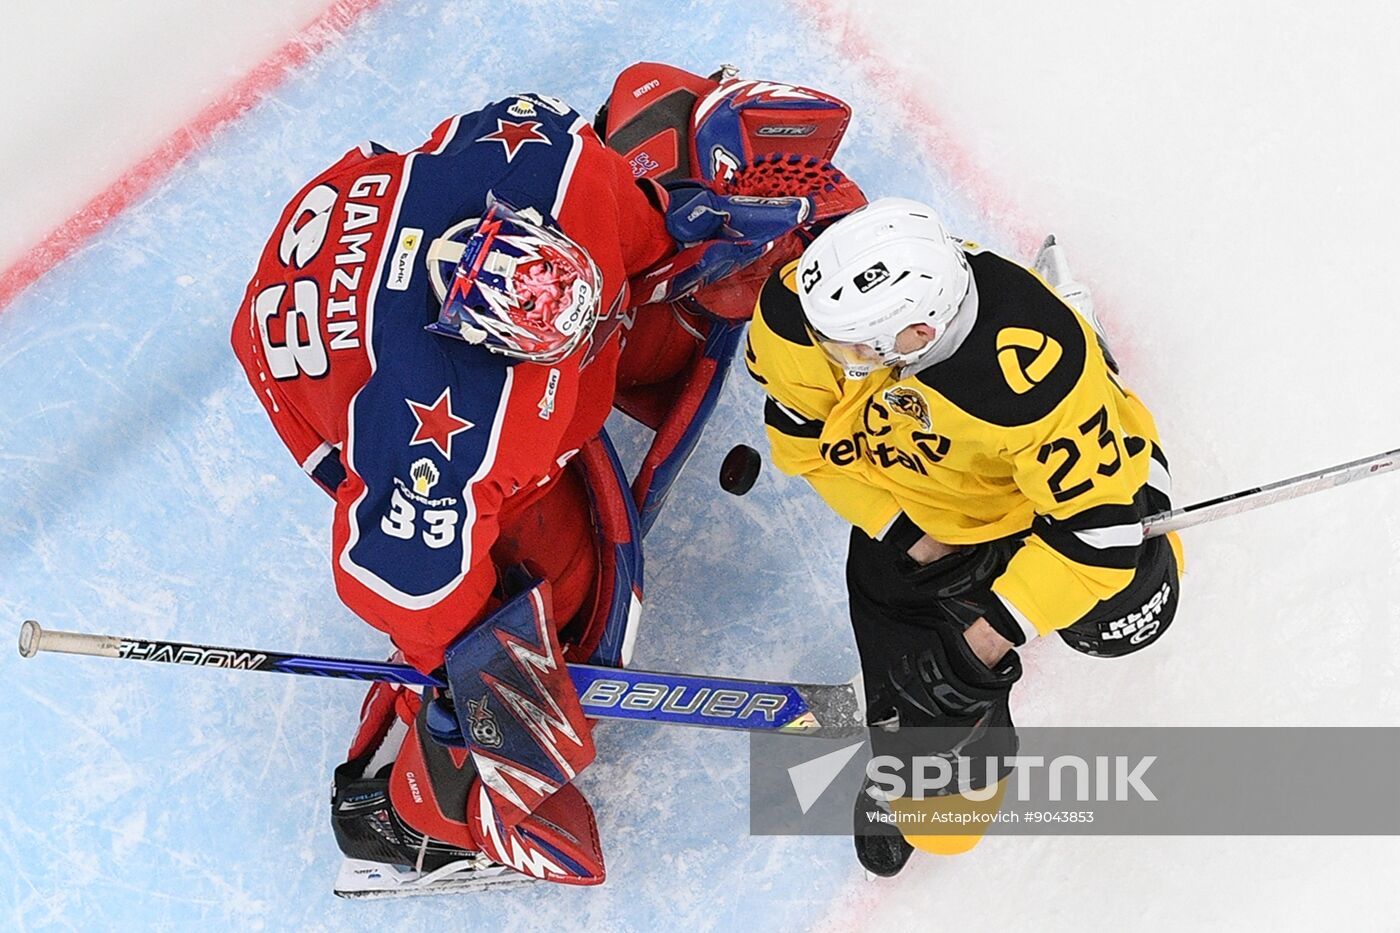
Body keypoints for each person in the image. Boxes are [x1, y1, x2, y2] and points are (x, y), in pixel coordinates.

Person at [231, 67, 859, 894]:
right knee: (560, 611)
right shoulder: (458, 432)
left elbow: (620, 231)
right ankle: (429, 814)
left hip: (364, 248)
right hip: (326, 381)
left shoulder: (565, 156)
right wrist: (471, 681)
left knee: (633, 319)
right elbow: (397, 579)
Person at [743, 197, 1184, 876]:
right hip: (924, 506)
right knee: (945, 823)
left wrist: (982, 640)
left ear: (917, 334)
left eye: (851, 349)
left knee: (1129, 614)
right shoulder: (803, 314)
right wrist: (905, 532)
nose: (829, 357)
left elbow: (1099, 537)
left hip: (1036, 503)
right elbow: (801, 439)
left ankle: (1127, 437)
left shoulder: (1032, 377)